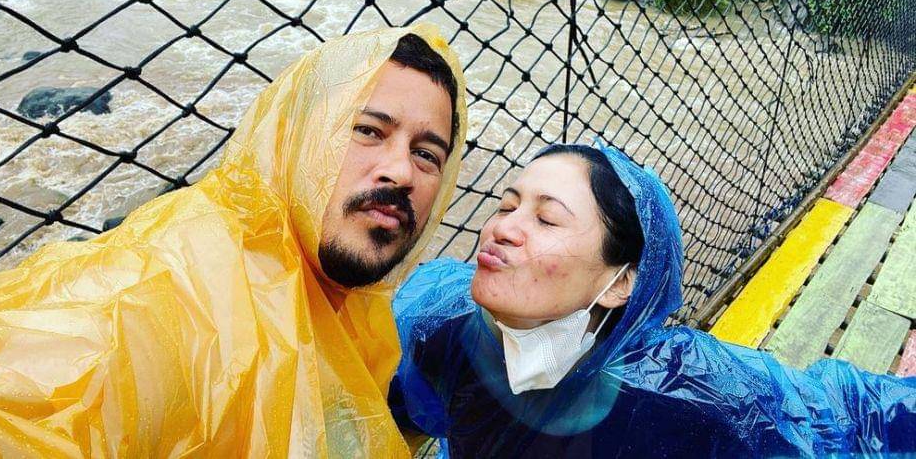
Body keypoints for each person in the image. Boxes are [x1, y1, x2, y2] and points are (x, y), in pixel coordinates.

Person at [0, 25, 467, 458]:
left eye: (427, 154)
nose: (401, 171)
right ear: (296, 139)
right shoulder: (172, 288)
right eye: (368, 130)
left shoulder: (356, 307)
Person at [391, 142, 916, 457]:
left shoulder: (690, 392)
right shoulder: (436, 322)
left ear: (622, 282)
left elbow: (849, 416)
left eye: (547, 219)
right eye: (506, 206)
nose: (502, 228)